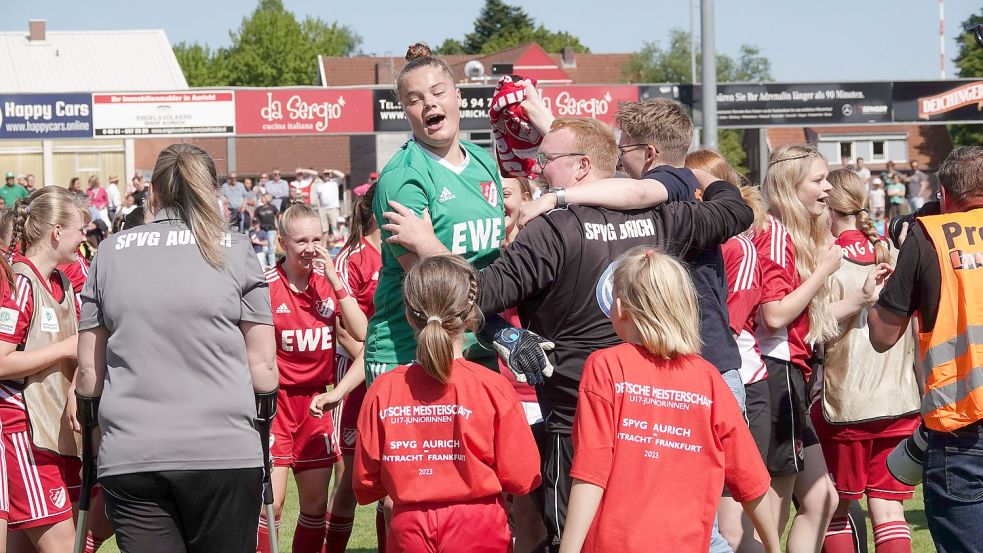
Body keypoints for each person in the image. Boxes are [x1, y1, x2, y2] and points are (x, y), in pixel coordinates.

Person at [383, 115, 753, 552]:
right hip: (652, 423)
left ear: (581, 167)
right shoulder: (662, 215)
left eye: (547, 159)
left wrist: (427, 245)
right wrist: (706, 182)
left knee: (578, 537)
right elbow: (735, 211)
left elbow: (475, 297)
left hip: (576, 422)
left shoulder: (553, 230)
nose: (536, 169)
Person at [74, 143, 279, 553]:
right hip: (223, 450)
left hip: (134, 451)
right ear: (212, 191)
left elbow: (89, 374)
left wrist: (89, 418)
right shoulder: (236, 249)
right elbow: (263, 366)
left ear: (153, 192)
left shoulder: (110, 252)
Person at [559, 247, 780, 553]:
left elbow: (590, 472)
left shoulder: (606, 366)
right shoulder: (709, 379)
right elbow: (751, 481)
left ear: (620, 307)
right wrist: (773, 545)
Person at [346, 254, 542, 552]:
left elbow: (366, 481)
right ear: (469, 317)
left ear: (410, 316)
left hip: (408, 528)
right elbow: (523, 475)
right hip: (480, 526)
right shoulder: (491, 387)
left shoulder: (384, 389)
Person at [364, 43, 506, 387]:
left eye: (438, 92)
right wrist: (503, 329)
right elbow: (432, 285)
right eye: (414, 99)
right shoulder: (403, 177)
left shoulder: (485, 162)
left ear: (457, 96)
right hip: (411, 349)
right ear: (405, 111)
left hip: (478, 338)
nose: (429, 103)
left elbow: (496, 252)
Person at [869, 145, 983, 553]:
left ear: (944, 192)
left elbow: (883, 335)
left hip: (961, 424)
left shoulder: (929, 237)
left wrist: (879, 293)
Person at [815, 169, 919, 553]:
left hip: (844, 404)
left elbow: (815, 333)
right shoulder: (891, 254)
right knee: (889, 511)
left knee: (836, 509)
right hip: (900, 400)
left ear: (827, 206)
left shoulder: (826, 259)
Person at [256, 203, 366, 553]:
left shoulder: (328, 286)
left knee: (315, 506)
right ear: (282, 242)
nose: (310, 248)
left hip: (317, 405)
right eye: (301, 240)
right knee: (271, 505)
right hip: (275, 405)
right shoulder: (265, 287)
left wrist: (336, 282)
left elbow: (362, 336)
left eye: (317, 239)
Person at [685, 149, 772, 551]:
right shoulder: (689, 235)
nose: (691, 199)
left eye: (698, 189)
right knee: (708, 516)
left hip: (734, 375)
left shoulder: (737, 245)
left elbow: (729, 322)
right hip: (699, 375)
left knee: (730, 519)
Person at [754, 145, 841, 551]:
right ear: (791, 186)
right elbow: (773, 315)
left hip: (791, 372)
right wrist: (823, 270)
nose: (828, 189)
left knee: (823, 498)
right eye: (818, 180)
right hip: (775, 371)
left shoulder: (793, 233)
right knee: (774, 508)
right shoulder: (774, 233)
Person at [0, 187, 88, 553]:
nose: (85, 237)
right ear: (56, 231)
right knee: (67, 546)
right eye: (80, 229)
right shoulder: (21, 280)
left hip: (57, 432)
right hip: (24, 433)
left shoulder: (64, 282)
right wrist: (64, 349)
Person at [314, 185, 383, 553]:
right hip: (356, 379)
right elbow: (344, 332)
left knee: (393, 479)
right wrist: (376, 361)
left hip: (394, 374)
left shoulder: (403, 252)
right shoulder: (351, 259)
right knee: (351, 481)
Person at [314, 169, 344, 241]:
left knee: (335, 227)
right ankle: (324, 246)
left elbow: (343, 176)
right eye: (325, 174)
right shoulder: (320, 185)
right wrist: (319, 209)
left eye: (328, 174)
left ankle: (338, 245)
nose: (326, 175)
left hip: (333, 208)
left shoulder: (335, 182)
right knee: (324, 230)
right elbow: (318, 198)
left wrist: (332, 171)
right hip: (323, 209)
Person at [254, 194, 280, 269]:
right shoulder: (259, 209)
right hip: (262, 229)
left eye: (263, 197)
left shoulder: (273, 207)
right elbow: (255, 219)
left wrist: (278, 227)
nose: (262, 199)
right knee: (262, 247)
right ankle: (262, 264)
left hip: (271, 229)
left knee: (271, 247)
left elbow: (278, 216)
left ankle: (273, 266)